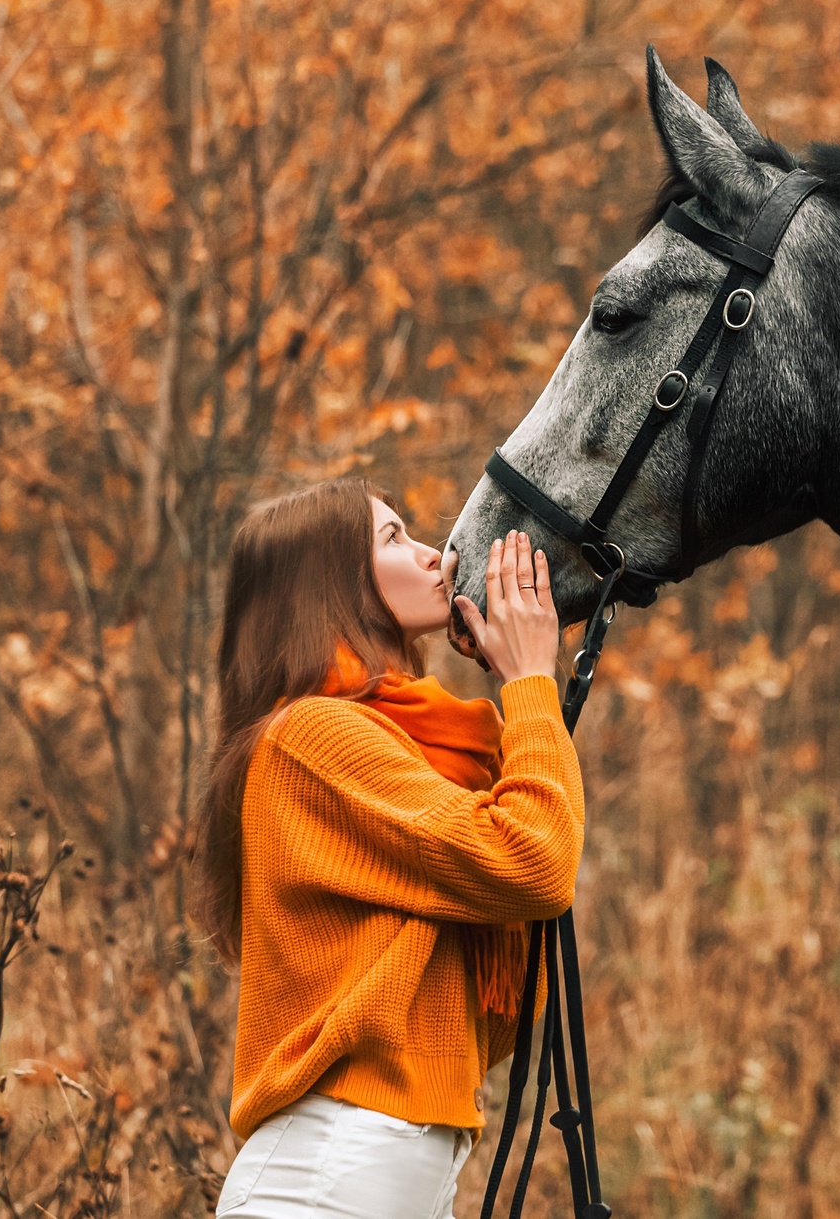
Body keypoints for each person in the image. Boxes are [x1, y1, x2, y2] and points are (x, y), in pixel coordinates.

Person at [197, 477, 577, 1218]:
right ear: (328, 586)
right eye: (393, 538)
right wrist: (532, 683)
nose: (436, 554)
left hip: (385, 1171)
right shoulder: (313, 737)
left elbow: (489, 1003)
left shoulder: (404, 750)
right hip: (331, 1173)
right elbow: (533, 862)